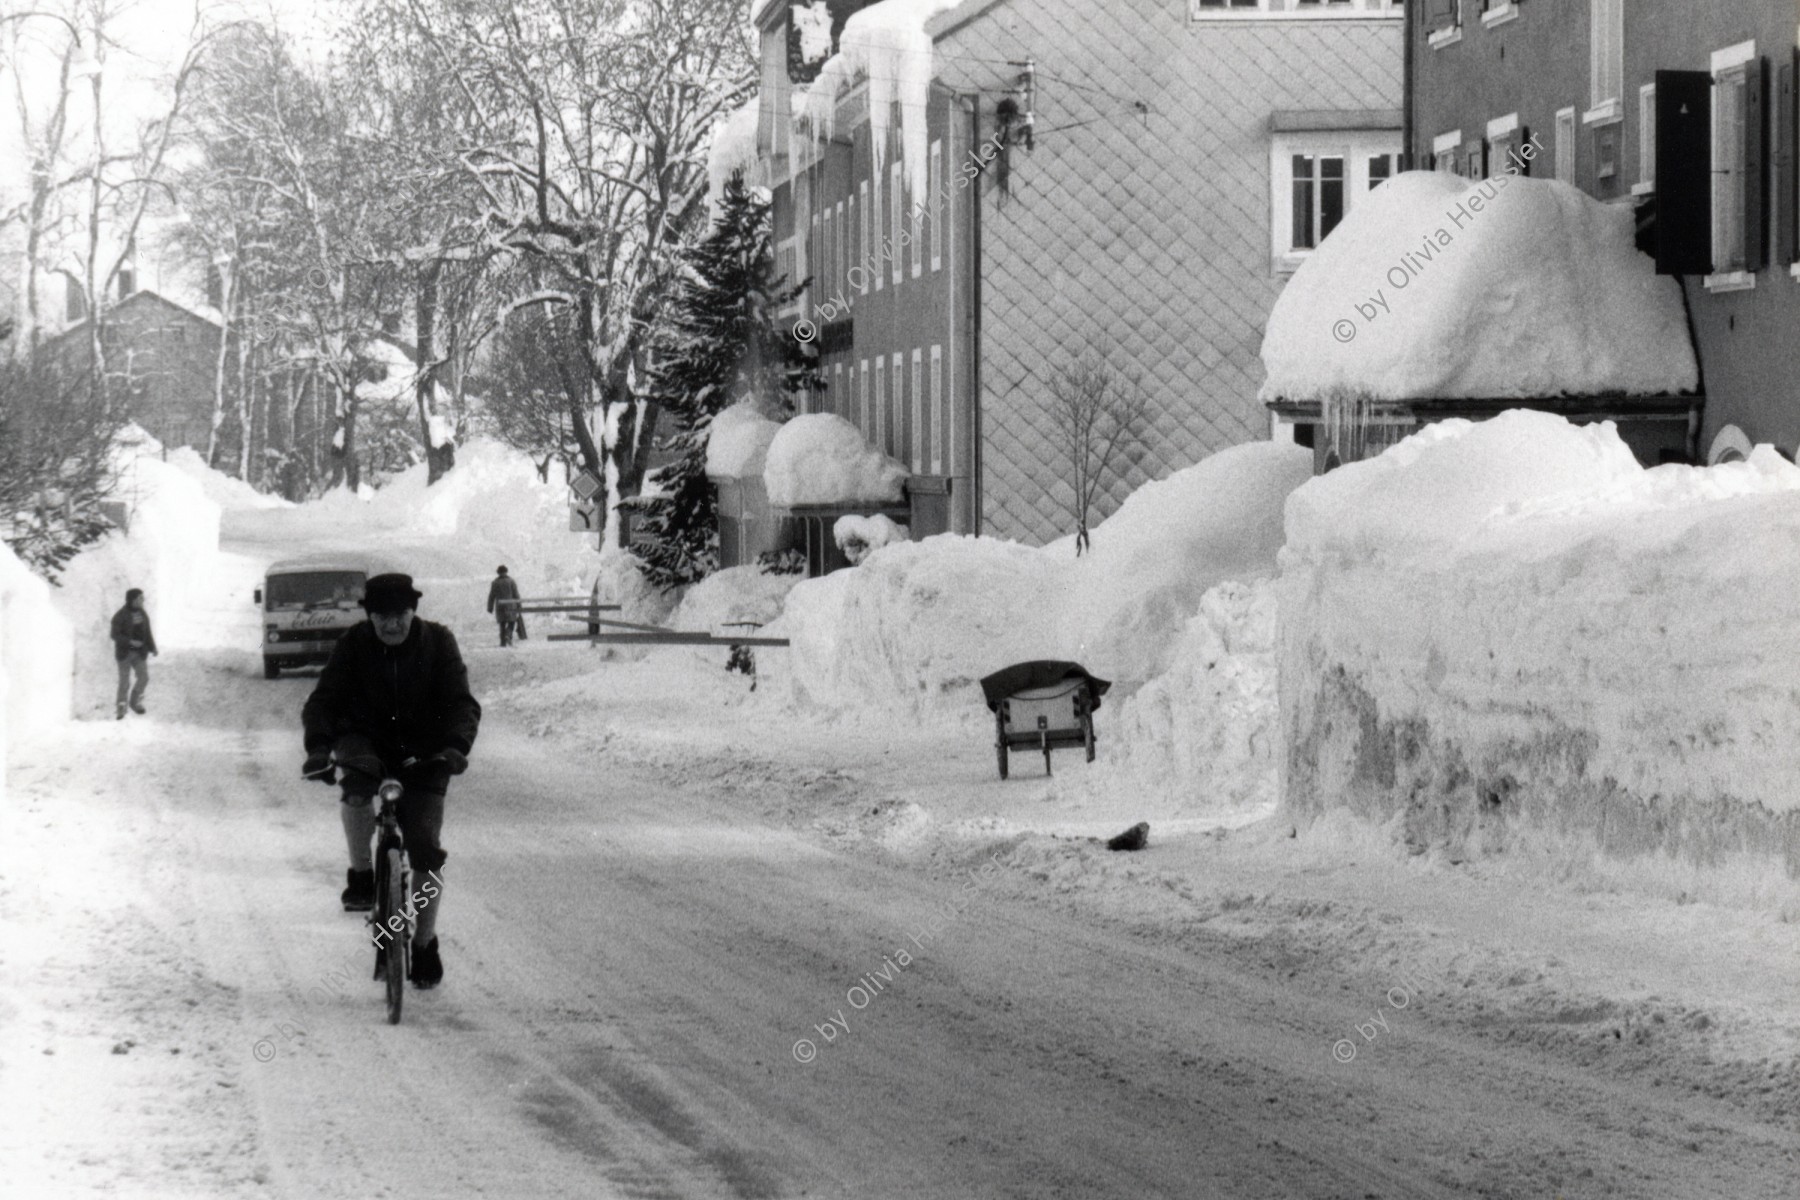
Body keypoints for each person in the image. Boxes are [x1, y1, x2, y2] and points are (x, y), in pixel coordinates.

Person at [300, 573, 481, 989]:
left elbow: (460, 702)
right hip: (366, 740)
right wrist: (318, 749)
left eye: (399, 615)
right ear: (370, 617)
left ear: (413, 611)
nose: (392, 625)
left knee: (426, 848)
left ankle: (424, 942)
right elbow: (324, 701)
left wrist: (455, 746)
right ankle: (362, 874)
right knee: (357, 788)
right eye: (382, 617)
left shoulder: (438, 642)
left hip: (427, 749)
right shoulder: (353, 645)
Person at [109, 588, 158, 719]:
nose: (143, 600)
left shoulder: (142, 614)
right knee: (124, 682)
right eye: (140, 598)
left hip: (140, 653)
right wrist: (130, 642)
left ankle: (135, 702)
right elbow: (114, 635)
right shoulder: (120, 615)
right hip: (124, 654)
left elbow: (148, 632)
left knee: (144, 677)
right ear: (133, 600)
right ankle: (121, 707)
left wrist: (152, 647)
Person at [485, 564, 525, 647]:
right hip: (511, 605)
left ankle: (502, 642)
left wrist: (490, 607)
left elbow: (492, 595)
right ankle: (508, 634)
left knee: (502, 624)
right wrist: (519, 605)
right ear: (506, 572)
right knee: (512, 622)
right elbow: (516, 594)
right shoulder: (511, 581)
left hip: (500, 606)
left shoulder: (495, 582)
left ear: (498, 572)